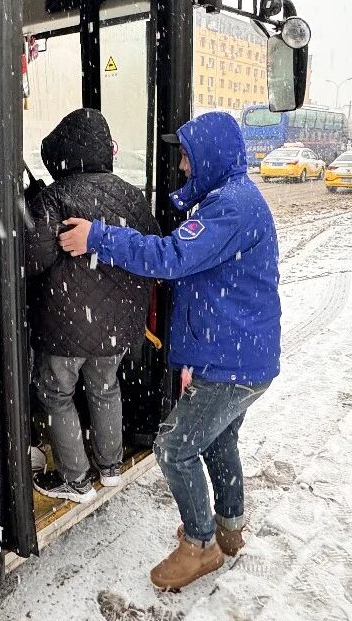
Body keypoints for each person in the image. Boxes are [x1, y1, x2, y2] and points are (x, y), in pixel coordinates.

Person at [58, 110, 280, 591]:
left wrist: (97, 236)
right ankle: (229, 528)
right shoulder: (233, 199)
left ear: (210, 156)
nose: (180, 166)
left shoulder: (229, 207)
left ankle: (200, 546)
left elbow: (171, 257)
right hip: (242, 354)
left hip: (230, 363)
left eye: (186, 157)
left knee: (174, 448)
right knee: (218, 440)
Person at [24, 108, 159, 503]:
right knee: (105, 387)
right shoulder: (131, 195)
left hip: (66, 325)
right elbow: (150, 248)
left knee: (55, 394)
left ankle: (76, 479)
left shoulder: (55, 197)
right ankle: (111, 467)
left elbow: (32, 259)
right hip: (118, 325)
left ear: (62, 152)